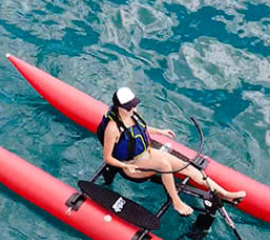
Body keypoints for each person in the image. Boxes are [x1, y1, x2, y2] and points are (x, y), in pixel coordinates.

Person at [99, 87, 245, 217]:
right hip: (133, 167)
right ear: (119, 107)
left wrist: (160, 132)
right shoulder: (112, 128)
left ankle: (226, 194)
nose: (133, 110)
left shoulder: (132, 115)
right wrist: (125, 167)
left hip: (147, 155)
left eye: (134, 106)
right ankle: (176, 202)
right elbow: (107, 158)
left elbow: (141, 129)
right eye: (129, 108)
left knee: (187, 167)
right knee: (164, 165)